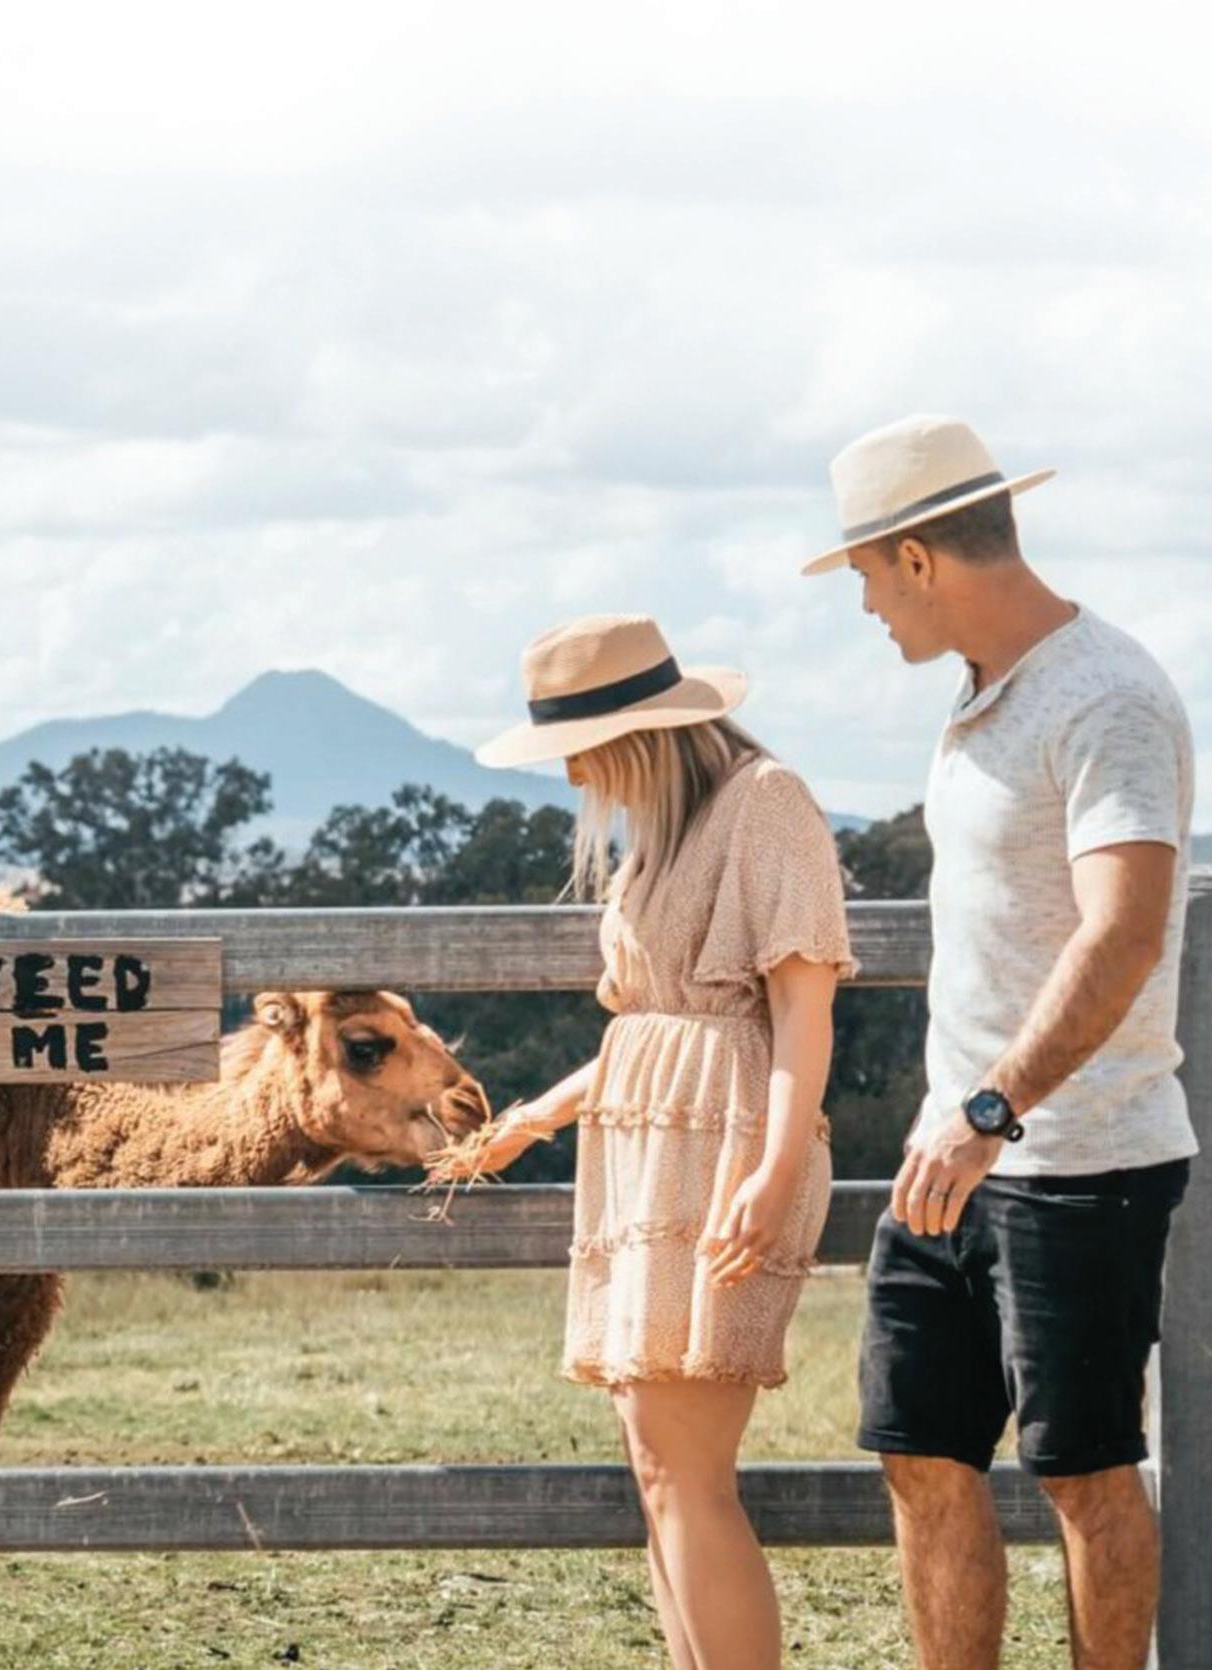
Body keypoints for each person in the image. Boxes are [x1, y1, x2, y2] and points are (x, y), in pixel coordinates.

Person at [802, 414, 1197, 1670]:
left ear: (918, 558)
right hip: (953, 1152)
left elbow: (1121, 934)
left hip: (1076, 1158)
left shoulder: (1105, 696)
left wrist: (992, 1109)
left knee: (1082, 1471)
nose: (865, 605)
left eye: (866, 574)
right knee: (916, 1450)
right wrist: (959, 1123)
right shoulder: (985, 693)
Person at [429, 611, 855, 1670]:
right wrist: (535, 1117)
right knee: (657, 1469)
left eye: (578, 747)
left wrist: (773, 1167)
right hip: (645, 1152)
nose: (571, 773)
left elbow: (801, 1009)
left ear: (635, 732)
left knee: (687, 1472)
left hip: (724, 1147)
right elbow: (649, 1028)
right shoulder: (660, 835)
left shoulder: (765, 803)